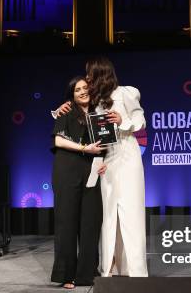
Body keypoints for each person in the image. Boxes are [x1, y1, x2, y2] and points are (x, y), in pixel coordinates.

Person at [54, 58, 148, 277]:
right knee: (106, 214)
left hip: (127, 154)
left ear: (101, 74)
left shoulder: (127, 92)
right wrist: (60, 108)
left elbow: (140, 119)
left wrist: (122, 120)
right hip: (105, 159)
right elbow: (76, 112)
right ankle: (108, 267)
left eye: (90, 74)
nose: (87, 78)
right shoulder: (94, 99)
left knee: (131, 211)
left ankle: (135, 269)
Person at [51, 76, 106, 289]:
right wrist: (85, 149)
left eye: (85, 88)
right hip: (67, 170)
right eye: (77, 89)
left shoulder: (97, 114)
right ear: (71, 95)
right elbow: (57, 139)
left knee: (90, 222)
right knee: (67, 223)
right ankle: (67, 275)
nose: (82, 91)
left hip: (91, 172)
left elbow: (105, 144)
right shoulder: (66, 111)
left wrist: (104, 162)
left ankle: (87, 273)